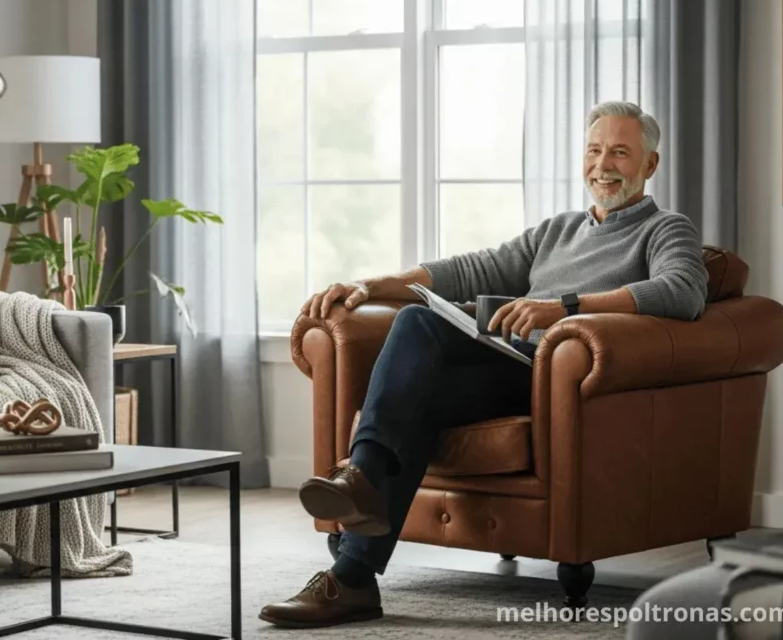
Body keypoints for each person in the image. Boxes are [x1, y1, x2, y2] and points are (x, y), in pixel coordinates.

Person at [258, 100, 709, 629]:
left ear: (649, 165)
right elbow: (472, 268)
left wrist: (563, 306)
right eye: (593, 150)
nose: (602, 164)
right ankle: (354, 573)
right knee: (415, 357)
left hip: (549, 376)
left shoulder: (665, 229)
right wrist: (369, 284)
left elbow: (682, 292)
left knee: (415, 339)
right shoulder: (557, 230)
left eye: (620, 152)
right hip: (500, 361)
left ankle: (361, 485)